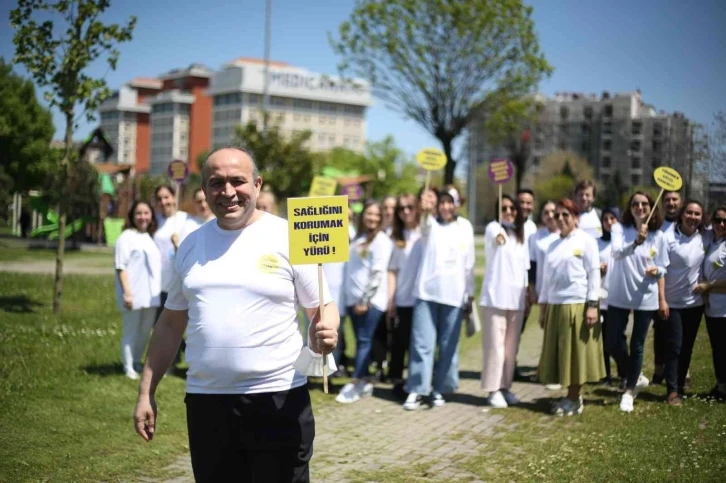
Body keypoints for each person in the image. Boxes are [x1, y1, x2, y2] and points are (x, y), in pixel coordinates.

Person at [133, 147, 340, 483]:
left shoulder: (288, 236)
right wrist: (146, 392)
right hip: (207, 404)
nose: (227, 192)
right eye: (216, 183)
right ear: (203, 189)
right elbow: (170, 326)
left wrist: (327, 329)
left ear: (257, 184)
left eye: (237, 181)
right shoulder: (189, 244)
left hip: (279, 399)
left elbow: (323, 307)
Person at [404, 186, 475, 410]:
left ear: (457, 204)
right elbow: (424, 223)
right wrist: (424, 209)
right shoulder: (430, 224)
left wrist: (470, 295)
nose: (445, 206)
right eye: (442, 202)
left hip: (454, 295)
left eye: (449, 202)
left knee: (448, 346)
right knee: (422, 344)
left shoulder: (465, 227)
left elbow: (470, 264)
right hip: (426, 293)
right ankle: (417, 389)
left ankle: (439, 389)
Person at [537, 199, 605, 416]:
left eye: (566, 214)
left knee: (575, 355)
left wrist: (592, 305)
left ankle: (574, 399)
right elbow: (547, 281)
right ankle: (570, 396)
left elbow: (594, 273)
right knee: (561, 354)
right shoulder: (552, 245)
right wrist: (543, 308)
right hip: (556, 306)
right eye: (558, 215)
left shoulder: (586, 241)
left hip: (577, 305)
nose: (561, 219)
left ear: (576, 217)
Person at [606, 191, 668, 413]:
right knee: (612, 340)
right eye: (635, 204)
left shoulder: (658, 235)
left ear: (651, 208)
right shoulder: (619, 229)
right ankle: (636, 374)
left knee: (637, 344)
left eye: (644, 204)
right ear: (629, 208)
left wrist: (656, 269)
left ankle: (629, 391)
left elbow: (663, 266)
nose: (640, 207)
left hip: (646, 296)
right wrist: (635, 243)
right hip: (619, 294)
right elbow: (616, 253)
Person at [336, 199, 393, 404]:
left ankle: (356, 381)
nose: (373, 218)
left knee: (364, 340)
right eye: (369, 214)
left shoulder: (382, 241)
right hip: (353, 300)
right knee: (361, 340)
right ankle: (366, 380)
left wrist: (365, 300)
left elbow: (378, 273)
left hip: (369, 301)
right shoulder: (358, 237)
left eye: (377, 215)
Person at [479, 195, 530, 408]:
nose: (508, 211)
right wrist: (500, 225)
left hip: (516, 299)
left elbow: (525, 268)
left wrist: (527, 294)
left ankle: (505, 386)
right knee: (495, 347)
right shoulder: (494, 229)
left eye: (512, 208)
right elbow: (496, 236)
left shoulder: (521, 236)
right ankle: (492, 389)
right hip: (495, 298)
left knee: (510, 348)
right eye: (504, 208)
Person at [660, 200, 707, 406]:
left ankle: (679, 387)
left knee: (687, 347)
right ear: (682, 214)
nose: (693, 217)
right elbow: (661, 270)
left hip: (695, 304)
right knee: (675, 347)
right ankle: (671, 391)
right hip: (673, 303)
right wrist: (662, 300)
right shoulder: (667, 237)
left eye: (697, 214)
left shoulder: (704, 237)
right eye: (689, 213)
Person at [114, 201, 161, 380]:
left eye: (146, 213)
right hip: (132, 294)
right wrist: (127, 292)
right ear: (132, 217)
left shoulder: (149, 237)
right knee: (131, 332)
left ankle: (136, 361)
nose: (143, 217)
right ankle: (128, 367)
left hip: (150, 296)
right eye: (139, 214)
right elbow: (121, 266)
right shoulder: (126, 237)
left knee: (144, 332)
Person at [387, 193, 425, 399]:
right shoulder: (396, 237)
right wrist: (391, 299)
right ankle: (398, 381)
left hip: (422, 299)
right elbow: (392, 270)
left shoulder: (425, 232)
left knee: (419, 343)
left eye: (410, 207)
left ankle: (417, 381)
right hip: (403, 298)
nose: (406, 212)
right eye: (401, 209)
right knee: (400, 343)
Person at [526, 201, 560, 389]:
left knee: (555, 331)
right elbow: (531, 266)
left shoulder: (564, 236)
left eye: (553, 212)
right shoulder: (536, 237)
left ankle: (552, 370)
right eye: (546, 212)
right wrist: (532, 289)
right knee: (546, 328)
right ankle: (546, 368)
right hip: (543, 292)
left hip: (562, 293)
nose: (550, 215)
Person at [652, 190, 684, 385]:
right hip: (660, 289)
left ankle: (683, 372)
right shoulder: (658, 227)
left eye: (675, 199)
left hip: (682, 291)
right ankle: (658, 371)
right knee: (660, 332)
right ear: (662, 203)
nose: (671, 203)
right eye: (667, 200)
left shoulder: (687, 225)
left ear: (681, 202)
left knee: (681, 337)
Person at [697, 205, 726, 401]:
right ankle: (721, 386)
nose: (721, 224)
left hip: (724, 307)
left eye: (725, 221)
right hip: (712, 308)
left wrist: (709, 286)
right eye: (717, 220)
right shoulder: (710, 240)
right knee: (718, 348)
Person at [597, 207, 626, 387]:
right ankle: (605, 375)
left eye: (613, 219)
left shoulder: (622, 243)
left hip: (618, 298)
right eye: (606, 219)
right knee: (602, 341)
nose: (609, 222)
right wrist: (598, 267)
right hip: (601, 297)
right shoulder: (596, 243)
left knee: (617, 339)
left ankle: (625, 374)